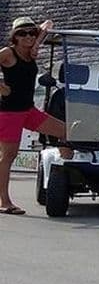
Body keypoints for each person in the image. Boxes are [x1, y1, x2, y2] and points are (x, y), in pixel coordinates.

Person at [0, 17, 65, 215]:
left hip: (28, 111)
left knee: (66, 131)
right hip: (9, 113)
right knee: (8, 156)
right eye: (22, 33)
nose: (28, 36)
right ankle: (4, 201)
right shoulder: (8, 53)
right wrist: (1, 88)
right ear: (15, 37)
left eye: (31, 33)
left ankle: (64, 180)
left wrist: (38, 41)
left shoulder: (32, 51)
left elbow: (48, 23)